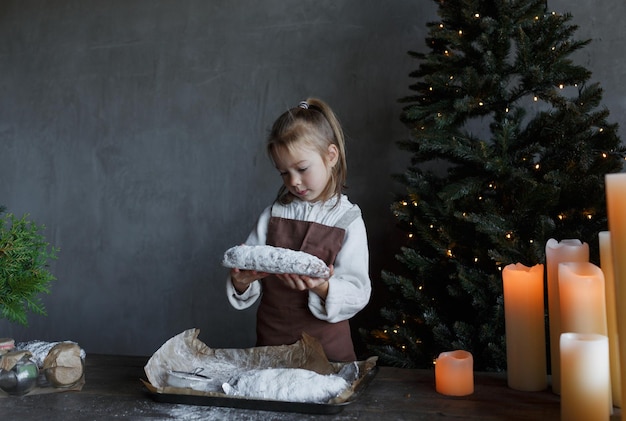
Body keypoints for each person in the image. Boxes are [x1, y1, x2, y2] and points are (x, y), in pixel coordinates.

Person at [225, 98, 372, 362]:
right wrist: (241, 282)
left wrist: (323, 287)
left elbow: (358, 292)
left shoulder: (347, 220)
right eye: (284, 173)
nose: (293, 181)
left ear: (331, 156)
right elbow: (250, 273)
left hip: (328, 354)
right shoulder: (273, 214)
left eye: (302, 169)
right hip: (271, 348)